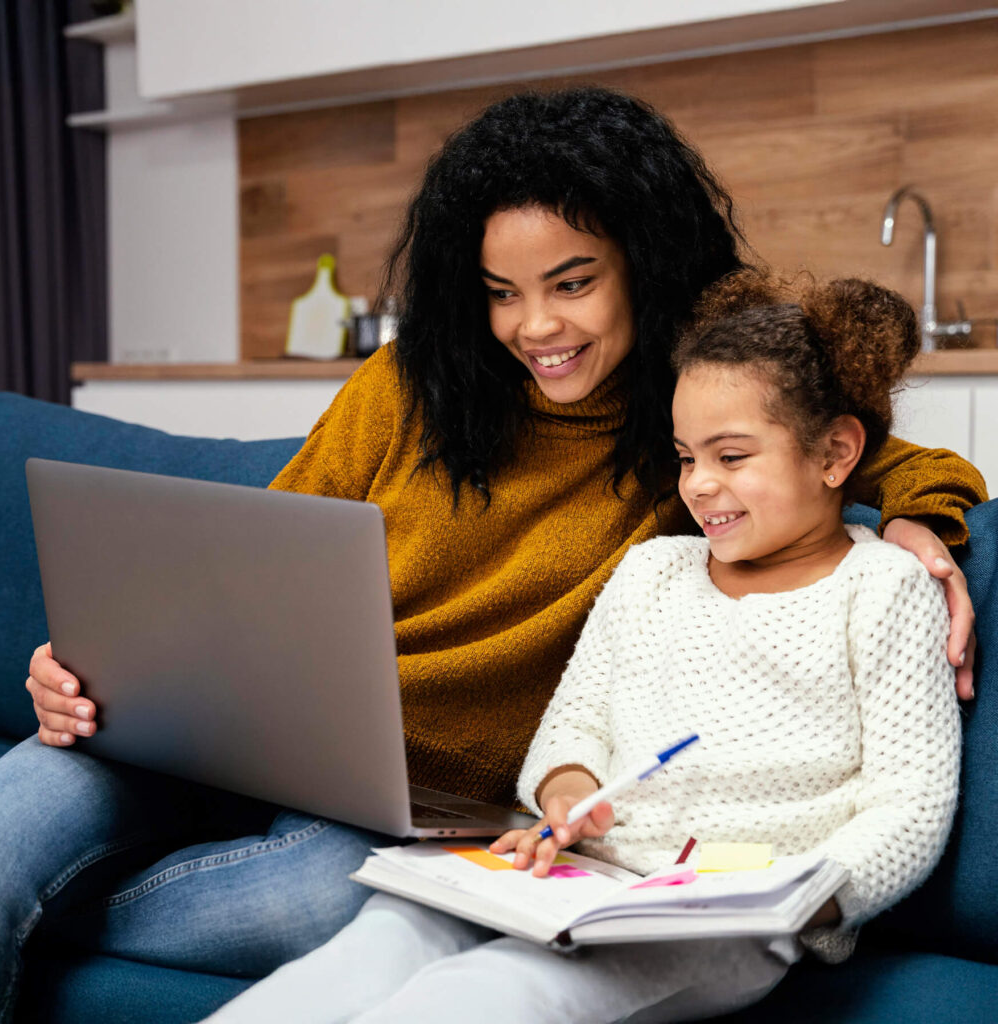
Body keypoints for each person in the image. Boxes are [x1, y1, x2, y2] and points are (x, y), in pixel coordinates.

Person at [0, 87, 982, 1024]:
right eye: (502, 292)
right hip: (204, 726)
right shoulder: (407, 386)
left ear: (648, 263)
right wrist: (93, 661)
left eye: (572, 282)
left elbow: (873, 446)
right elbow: (239, 570)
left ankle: (27, 917)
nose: (534, 326)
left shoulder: (688, 435)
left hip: (392, 813)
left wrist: (919, 523)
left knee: (329, 906)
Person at [203, 271, 961, 1024]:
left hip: (726, 919)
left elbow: (912, 806)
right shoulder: (653, 570)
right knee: (381, 937)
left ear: (835, 455)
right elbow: (574, 723)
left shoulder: (884, 588)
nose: (698, 485)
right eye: (685, 456)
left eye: (731, 457)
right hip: (577, 877)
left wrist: (806, 894)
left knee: (487, 994)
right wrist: (567, 792)